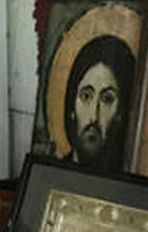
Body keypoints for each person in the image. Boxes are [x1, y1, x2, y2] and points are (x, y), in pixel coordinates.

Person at [63, 36, 135, 169]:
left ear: (120, 113)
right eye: (86, 96)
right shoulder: (51, 173)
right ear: (72, 107)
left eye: (107, 99)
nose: (94, 117)